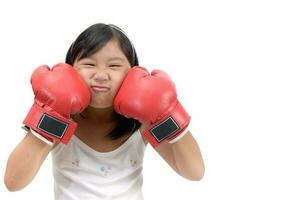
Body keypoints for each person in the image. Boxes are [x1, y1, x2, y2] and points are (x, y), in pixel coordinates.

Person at [4, 23, 205, 199]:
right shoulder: (61, 123)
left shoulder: (141, 123)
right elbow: (13, 183)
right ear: (69, 71)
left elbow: (194, 172)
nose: (101, 75)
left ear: (134, 72)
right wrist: (49, 114)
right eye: (89, 64)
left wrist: (168, 112)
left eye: (114, 65)